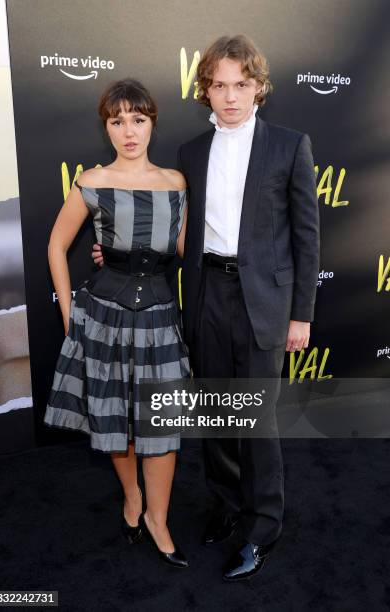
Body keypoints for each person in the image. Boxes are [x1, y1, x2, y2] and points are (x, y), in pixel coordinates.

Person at [93, 34, 320, 581]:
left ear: (259, 89)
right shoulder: (190, 154)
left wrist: (301, 314)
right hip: (205, 294)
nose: (231, 96)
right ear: (206, 92)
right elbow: (176, 232)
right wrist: (120, 251)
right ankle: (225, 505)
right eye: (219, 86)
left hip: (264, 301)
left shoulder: (290, 145)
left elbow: (307, 238)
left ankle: (264, 526)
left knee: (257, 421)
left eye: (241, 85)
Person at [44, 78, 190, 568]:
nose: (129, 131)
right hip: (104, 319)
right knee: (119, 423)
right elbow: (56, 247)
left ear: (152, 123)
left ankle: (159, 519)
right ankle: (132, 499)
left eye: (138, 120)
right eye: (117, 121)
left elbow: (186, 252)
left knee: (161, 424)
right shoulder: (91, 180)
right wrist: (69, 313)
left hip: (160, 320)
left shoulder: (176, 183)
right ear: (106, 126)